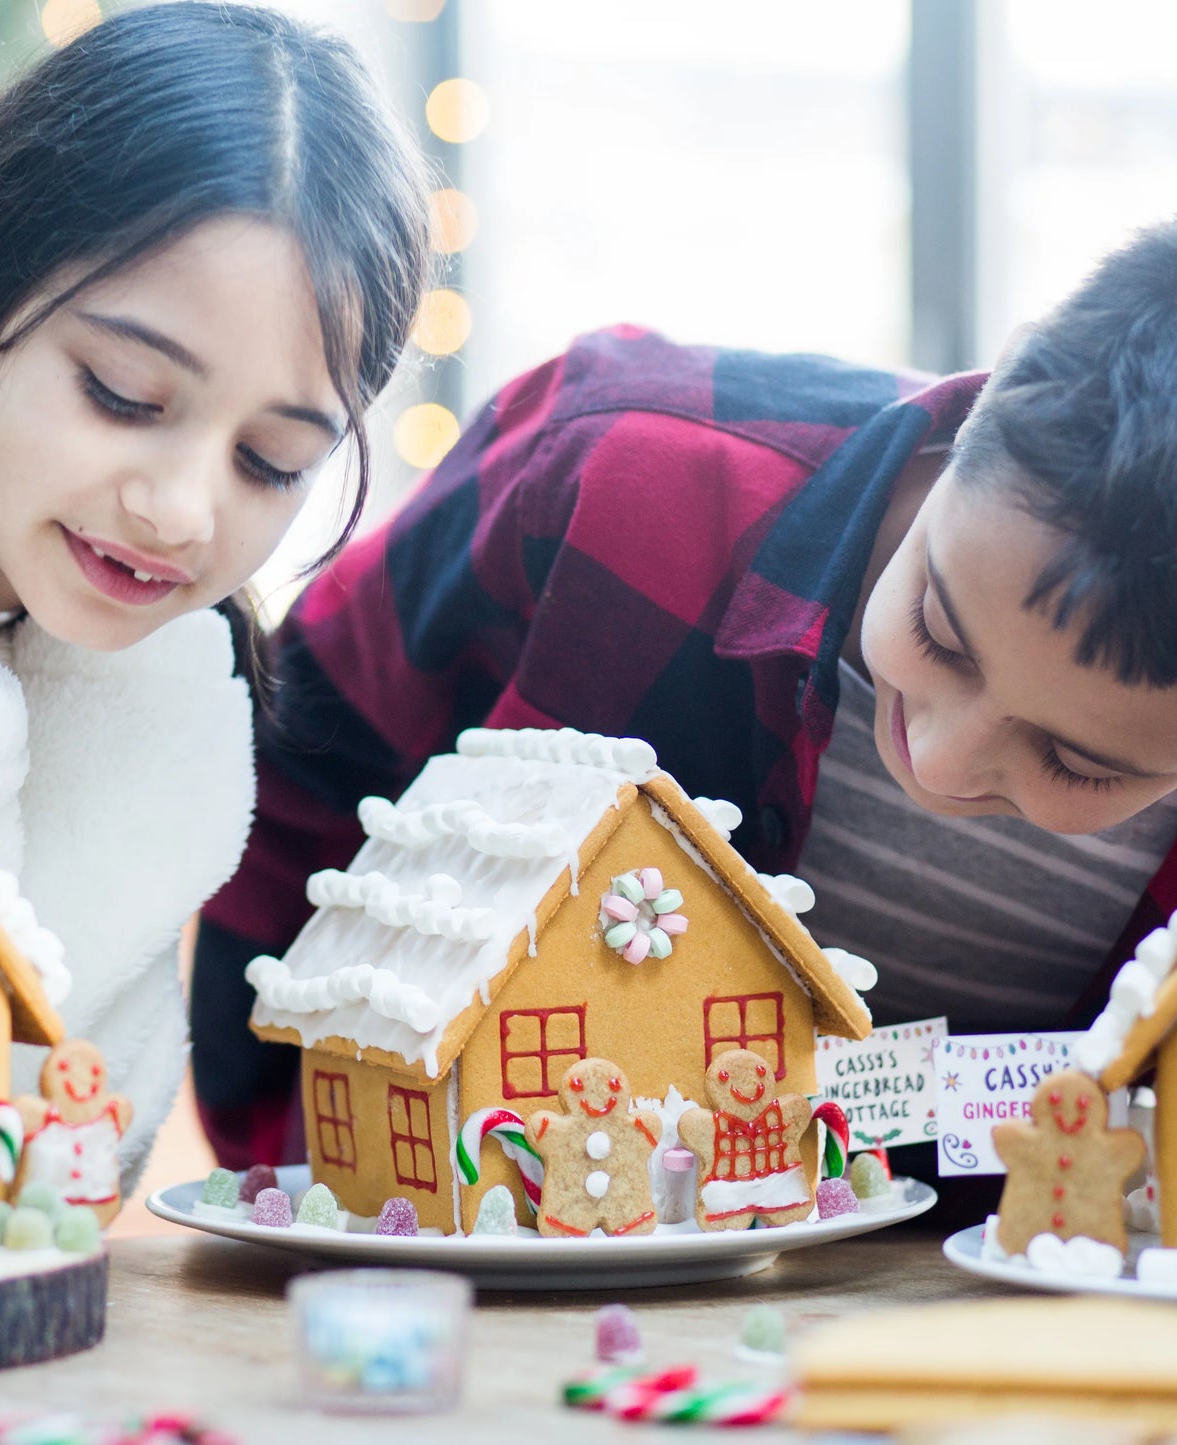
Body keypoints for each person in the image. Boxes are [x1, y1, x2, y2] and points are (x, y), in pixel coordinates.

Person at [192, 225, 1177, 1171]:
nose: (940, 760)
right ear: (990, 393)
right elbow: (294, 749)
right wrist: (335, 1173)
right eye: (935, 630)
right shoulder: (608, 473)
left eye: (1079, 761)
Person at [0, 2, 431, 1191]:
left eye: (270, 461)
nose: (181, 512)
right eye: (122, 392)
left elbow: (48, 1177)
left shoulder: (164, 687)